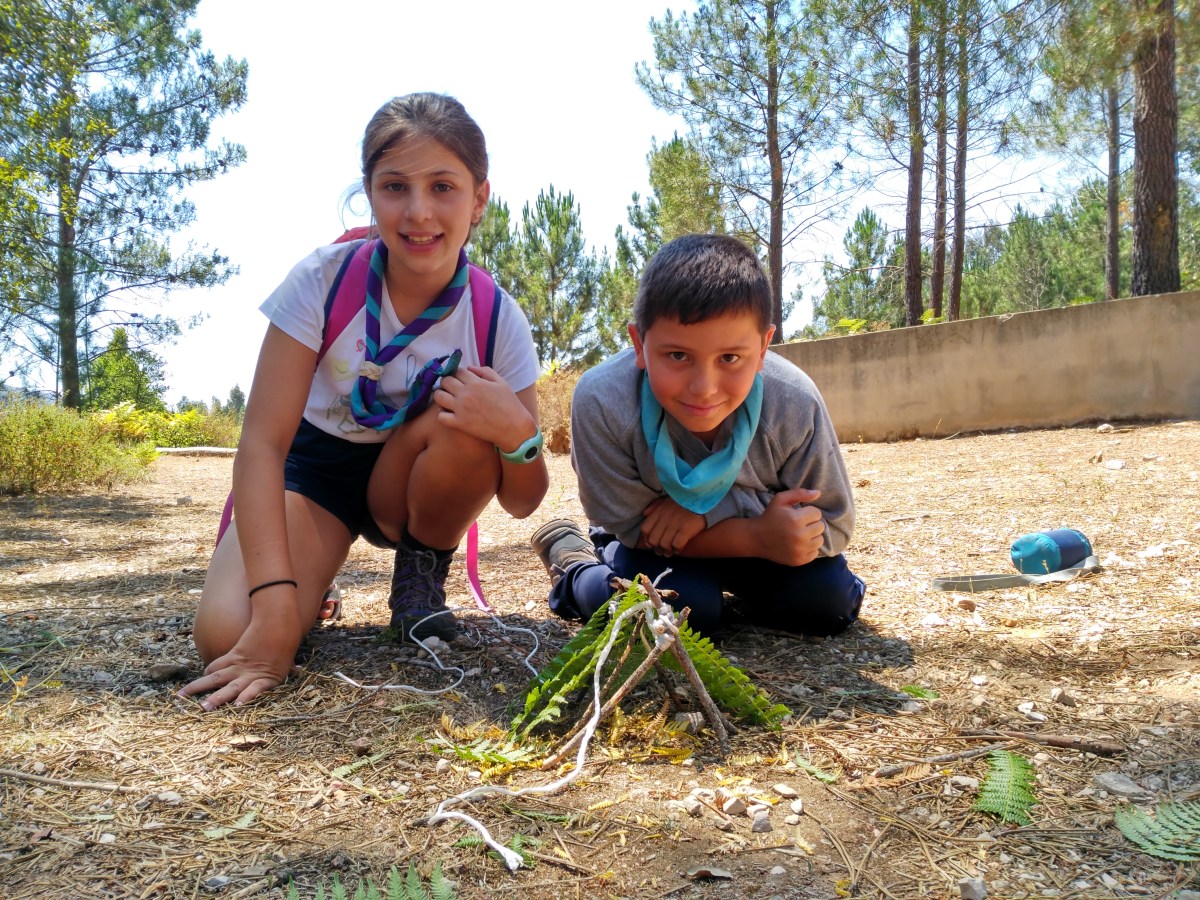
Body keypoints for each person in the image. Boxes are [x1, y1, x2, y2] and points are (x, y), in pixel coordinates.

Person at [181, 93, 547, 711]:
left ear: (479, 199)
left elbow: (523, 499)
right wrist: (274, 605)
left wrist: (515, 433)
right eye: (395, 186)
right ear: (369, 193)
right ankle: (310, 582)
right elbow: (262, 445)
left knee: (467, 416)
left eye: (443, 187)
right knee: (227, 635)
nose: (418, 211)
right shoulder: (321, 281)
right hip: (314, 473)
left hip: (411, 480)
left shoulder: (495, 318)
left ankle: (420, 571)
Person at [531, 233, 863, 637]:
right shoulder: (603, 400)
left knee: (829, 603)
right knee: (677, 612)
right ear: (639, 345)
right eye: (678, 355)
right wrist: (753, 534)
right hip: (648, 545)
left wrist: (709, 512)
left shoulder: (794, 402)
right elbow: (629, 526)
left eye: (730, 357)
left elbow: (834, 524)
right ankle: (575, 566)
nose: (704, 388)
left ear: (763, 349)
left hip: (763, 542)